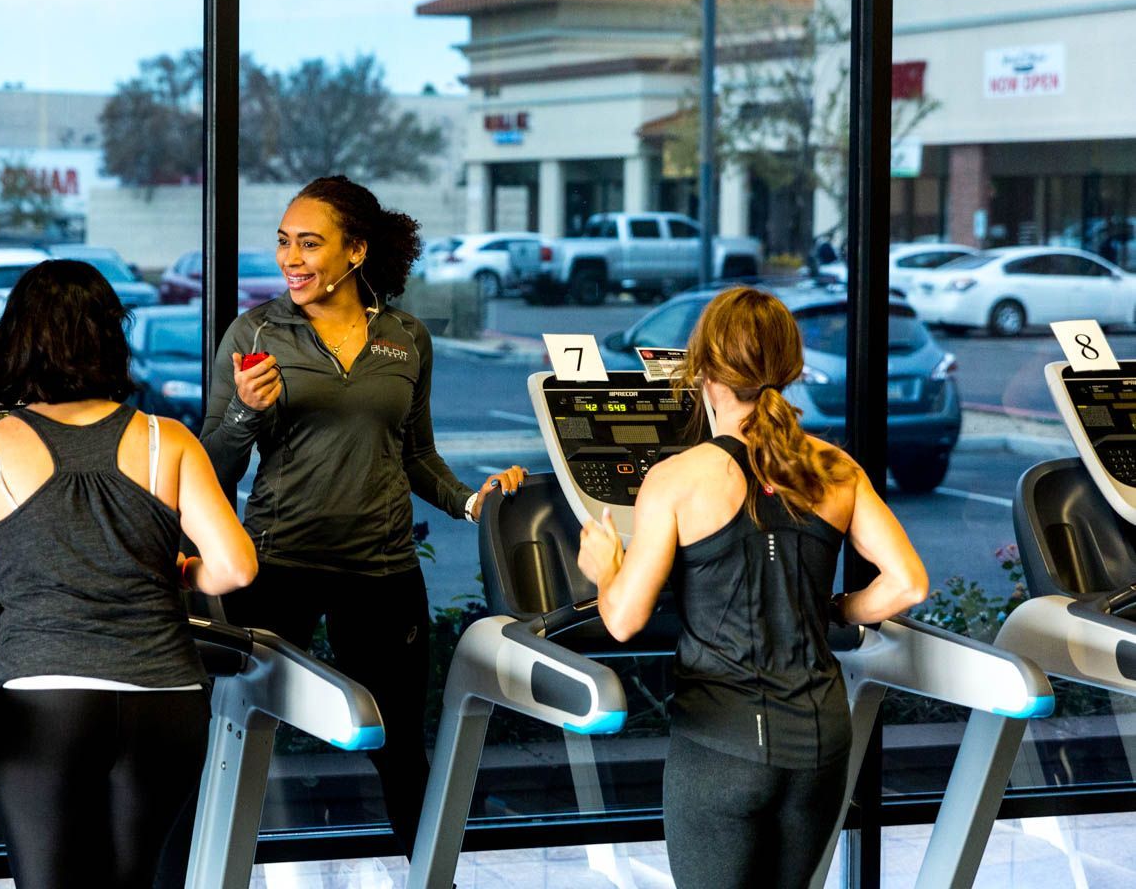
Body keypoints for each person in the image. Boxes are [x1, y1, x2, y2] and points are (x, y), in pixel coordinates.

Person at [0, 259, 257, 889]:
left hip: (45, 705)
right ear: (110, 338)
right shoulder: (165, 440)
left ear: (17, 341)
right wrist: (180, 568)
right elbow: (235, 568)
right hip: (166, 701)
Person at [201, 175, 526, 855]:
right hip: (278, 566)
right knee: (233, 739)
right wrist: (242, 413)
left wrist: (470, 500)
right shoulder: (255, 331)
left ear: (355, 252)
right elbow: (212, 469)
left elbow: (417, 454)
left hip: (381, 573)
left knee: (402, 749)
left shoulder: (405, 338)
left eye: (309, 243)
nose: (291, 258)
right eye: (284, 242)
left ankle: (432, 877)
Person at [575, 286, 928, 889]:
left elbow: (624, 619)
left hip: (721, 747)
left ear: (704, 370)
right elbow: (907, 584)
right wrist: (834, 608)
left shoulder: (677, 478)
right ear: (787, 369)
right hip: (820, 743)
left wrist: (605, 566)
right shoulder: (835, 468)